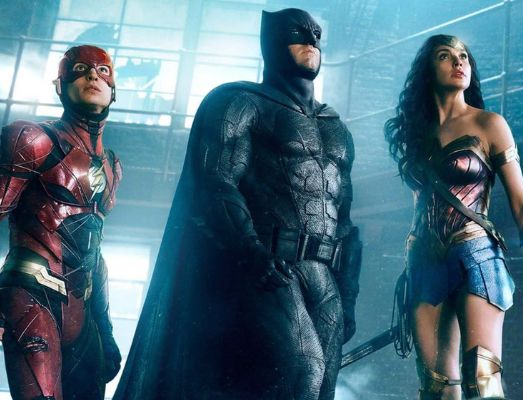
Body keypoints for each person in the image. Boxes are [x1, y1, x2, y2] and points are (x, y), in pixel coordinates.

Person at [114, 8, 362, 400]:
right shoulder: (239, 102)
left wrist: (348, 293)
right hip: (269, 267)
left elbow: (343, 215)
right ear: (273, 42)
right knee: (304, 369)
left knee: (323, 386)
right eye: (298, 33)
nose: (312, 41)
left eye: (316, 34)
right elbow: (216, 181)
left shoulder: (336, 128)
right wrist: (251, 252)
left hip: (324, 274)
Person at [384, 34, 523, 400]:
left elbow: (522, 204)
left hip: (476, 256)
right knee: (436, 388)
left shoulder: (490, 125)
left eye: (463, 56)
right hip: (424, 262)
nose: (459, 61)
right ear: (429, 70)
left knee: (483, 379)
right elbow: (419, 206)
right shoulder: (417, 135)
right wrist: (409, 269)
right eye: (445, 56)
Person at [0, 45, 122, 400]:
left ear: (114, 91)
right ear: (60, 85)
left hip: (83, 308)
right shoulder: (35, 140)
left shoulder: (112, 167)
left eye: (103, 71)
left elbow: (96, 254)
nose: (93, 76)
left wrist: (105, 329)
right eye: (81, 69)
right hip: (32, 293)